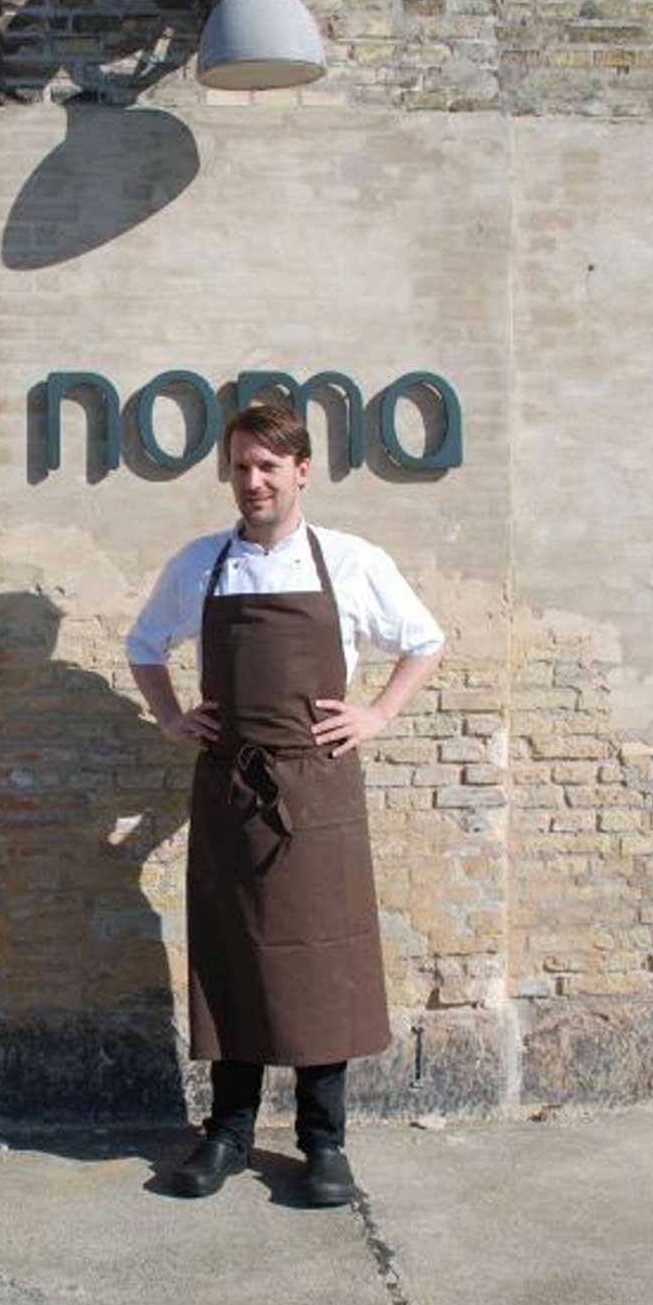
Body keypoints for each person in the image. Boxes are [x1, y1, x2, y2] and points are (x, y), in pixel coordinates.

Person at [127, 400, 445, 1206]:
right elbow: (143, 647)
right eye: (240, 467)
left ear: (303, 471)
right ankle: (228, 1134)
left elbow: (424, 640)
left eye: (269, 466)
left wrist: (377, 714)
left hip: (318, 787)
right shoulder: (202, 564)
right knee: (233, 958)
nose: (253, 481)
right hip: (231, 784)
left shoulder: (350, 559)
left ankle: (323, 1142)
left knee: (322, 961)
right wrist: (170, 717)